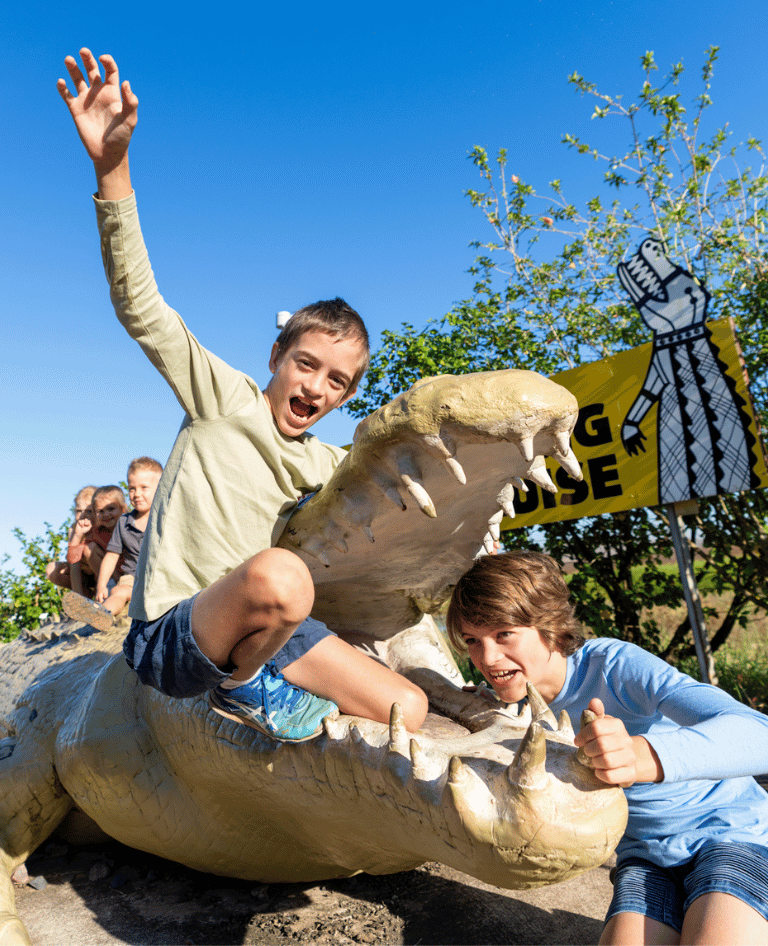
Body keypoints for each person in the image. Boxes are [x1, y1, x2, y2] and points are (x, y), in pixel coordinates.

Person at [56, 49, 428, 744]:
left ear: (347, 394)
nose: (316, 387)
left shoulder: (327, 462)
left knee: (409, 707)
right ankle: (238, 689)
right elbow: (142, 307)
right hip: (177, 632)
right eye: (307, 366)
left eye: (336, 381)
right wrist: (112, 170)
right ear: (275, 360)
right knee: (283, 578)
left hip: (274, 625)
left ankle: (277, 690)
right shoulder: (223, 398)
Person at [446, 551, 768, 946]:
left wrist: (640, 755)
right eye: (472, 641)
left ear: (548, 623)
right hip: (647, 858)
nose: (486, 658)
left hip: (732, 834)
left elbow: (758, 734)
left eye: (504, 634)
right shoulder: (506, 710)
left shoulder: (613, 667)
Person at [63, 458, 164, 626]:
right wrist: (102, 585)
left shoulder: (164, 517)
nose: (137, 494)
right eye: (132, 488)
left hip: (162, 575)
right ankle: (102, 615)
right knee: (118, 591)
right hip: (133, 578)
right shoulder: (123, 522)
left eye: (144, 488)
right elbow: (111, 556)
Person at [45, 484, 96, 595]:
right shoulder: (73, 529)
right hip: (84, 573)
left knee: (89, 549)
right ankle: (85, 595)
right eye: (78, 511)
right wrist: (78, 593)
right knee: (51, 569)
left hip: (101, 573)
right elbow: (74, 563)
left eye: (89, 511)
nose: (83, 515)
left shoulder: (102, 527)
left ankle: (100, 591)